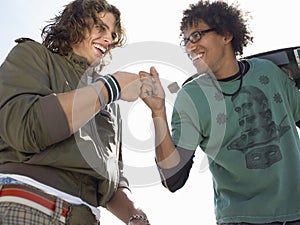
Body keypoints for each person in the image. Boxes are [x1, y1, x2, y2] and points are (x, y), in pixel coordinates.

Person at [139, 1, 300, 224]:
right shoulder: (193, 98)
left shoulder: (270, 72)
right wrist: (157, 111)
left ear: (226, 35)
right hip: (240, 219)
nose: (189, 47)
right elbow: (172, 178)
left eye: (196, 36)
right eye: (185, 41)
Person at [0, 0, 150, 224]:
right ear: (75, 24)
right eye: (100, 27)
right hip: (30, 205)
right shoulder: (33, 55)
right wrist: (112, 87)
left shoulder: (109, 102)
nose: (109, 40)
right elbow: (25, 128)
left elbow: (112, 181)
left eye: (113, 35)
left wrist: (135, 217)